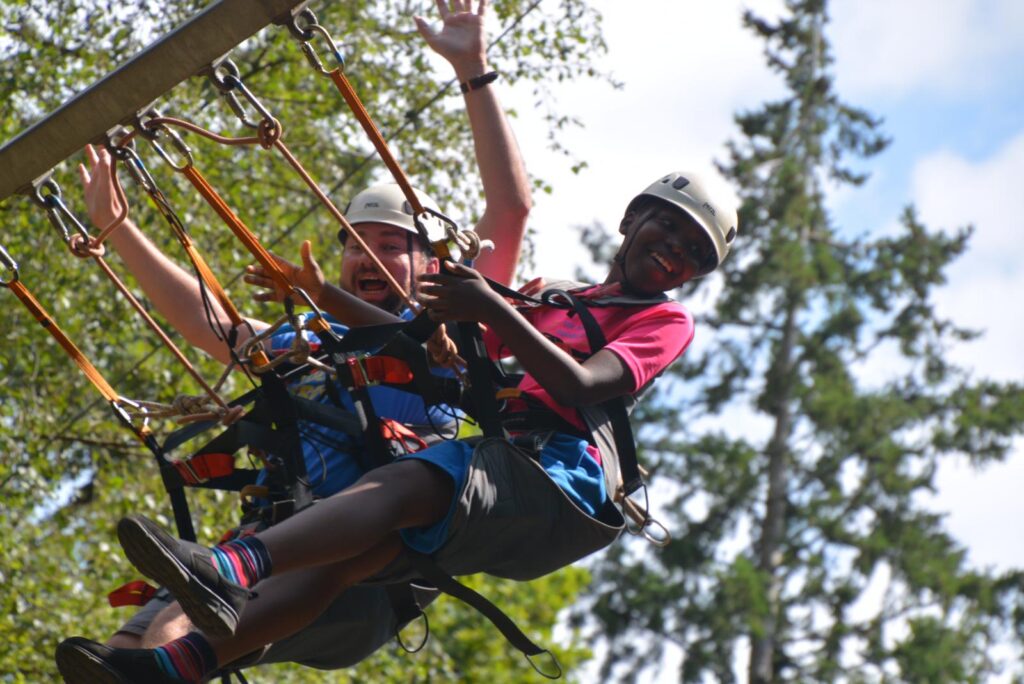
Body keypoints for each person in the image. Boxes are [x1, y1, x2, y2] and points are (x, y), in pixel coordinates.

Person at [55, 166, 739, 683]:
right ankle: (167, 668)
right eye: (668, 226)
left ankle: (226, 566)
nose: (675, 247)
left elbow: (580, 381)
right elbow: (407, 349)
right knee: (338, 561)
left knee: (409, 481)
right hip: (421, 499)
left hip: (552, 477)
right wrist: (325, 296)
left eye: (694, 251)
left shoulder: (661, 319)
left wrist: (491, 309)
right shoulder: (551, 301)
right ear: (632, 219)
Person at [56, 0, 531, 677]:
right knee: (137, 641)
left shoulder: (453, 323)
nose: (368, 259)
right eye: (356, 245)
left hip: (362, 554)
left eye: (391, 246)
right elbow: (214, 326)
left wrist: (473, 70)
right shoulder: (316, 331)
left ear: (429, 263)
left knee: (190, 620)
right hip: (277, 534)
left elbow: (509, 210)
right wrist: (116, 228)